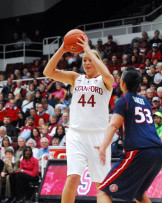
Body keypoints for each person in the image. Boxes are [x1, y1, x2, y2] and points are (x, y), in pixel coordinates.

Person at [43, 34, 115, 203]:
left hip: (99, 138)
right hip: (76, 135)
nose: (87, 63)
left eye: (90, 60)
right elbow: (48, 71)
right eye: (84, 60)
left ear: (98, 62)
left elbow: (108, 75)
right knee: (73, 177)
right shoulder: (76, 78)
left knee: (102, 186)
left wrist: (88, 50)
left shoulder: (105, 81)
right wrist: (63, 48)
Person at [96, 68, 162, 203]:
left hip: (139, 151)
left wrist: (103, 147)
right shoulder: (145, 102)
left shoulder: (123, 101)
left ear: (122, 83)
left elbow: (114, 125)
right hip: (158, 153)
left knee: (103, 191)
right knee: (139, 193)